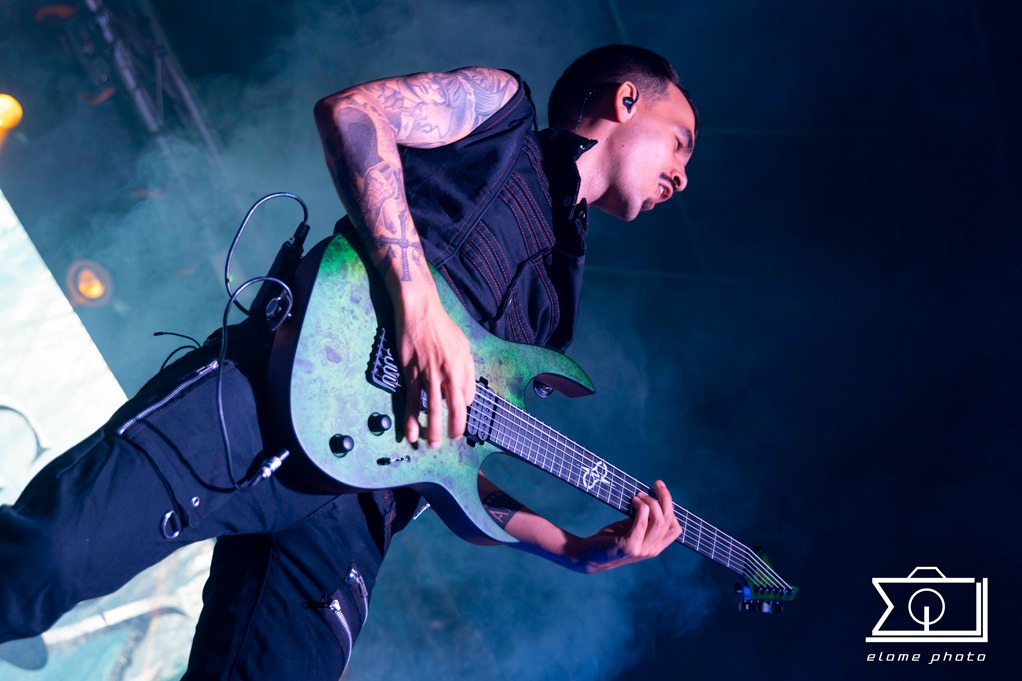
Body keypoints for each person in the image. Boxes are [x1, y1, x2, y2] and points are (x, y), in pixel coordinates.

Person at [0, 44, 697, 679]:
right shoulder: (501, 113)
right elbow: (354, 113)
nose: (683, 176)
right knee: (44, 557)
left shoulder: (557, 306)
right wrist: (419, 307)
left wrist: (573, 549)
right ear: (625, 101)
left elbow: (452, 465)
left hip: (358, 511)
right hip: (268, 393)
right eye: (680, 143)